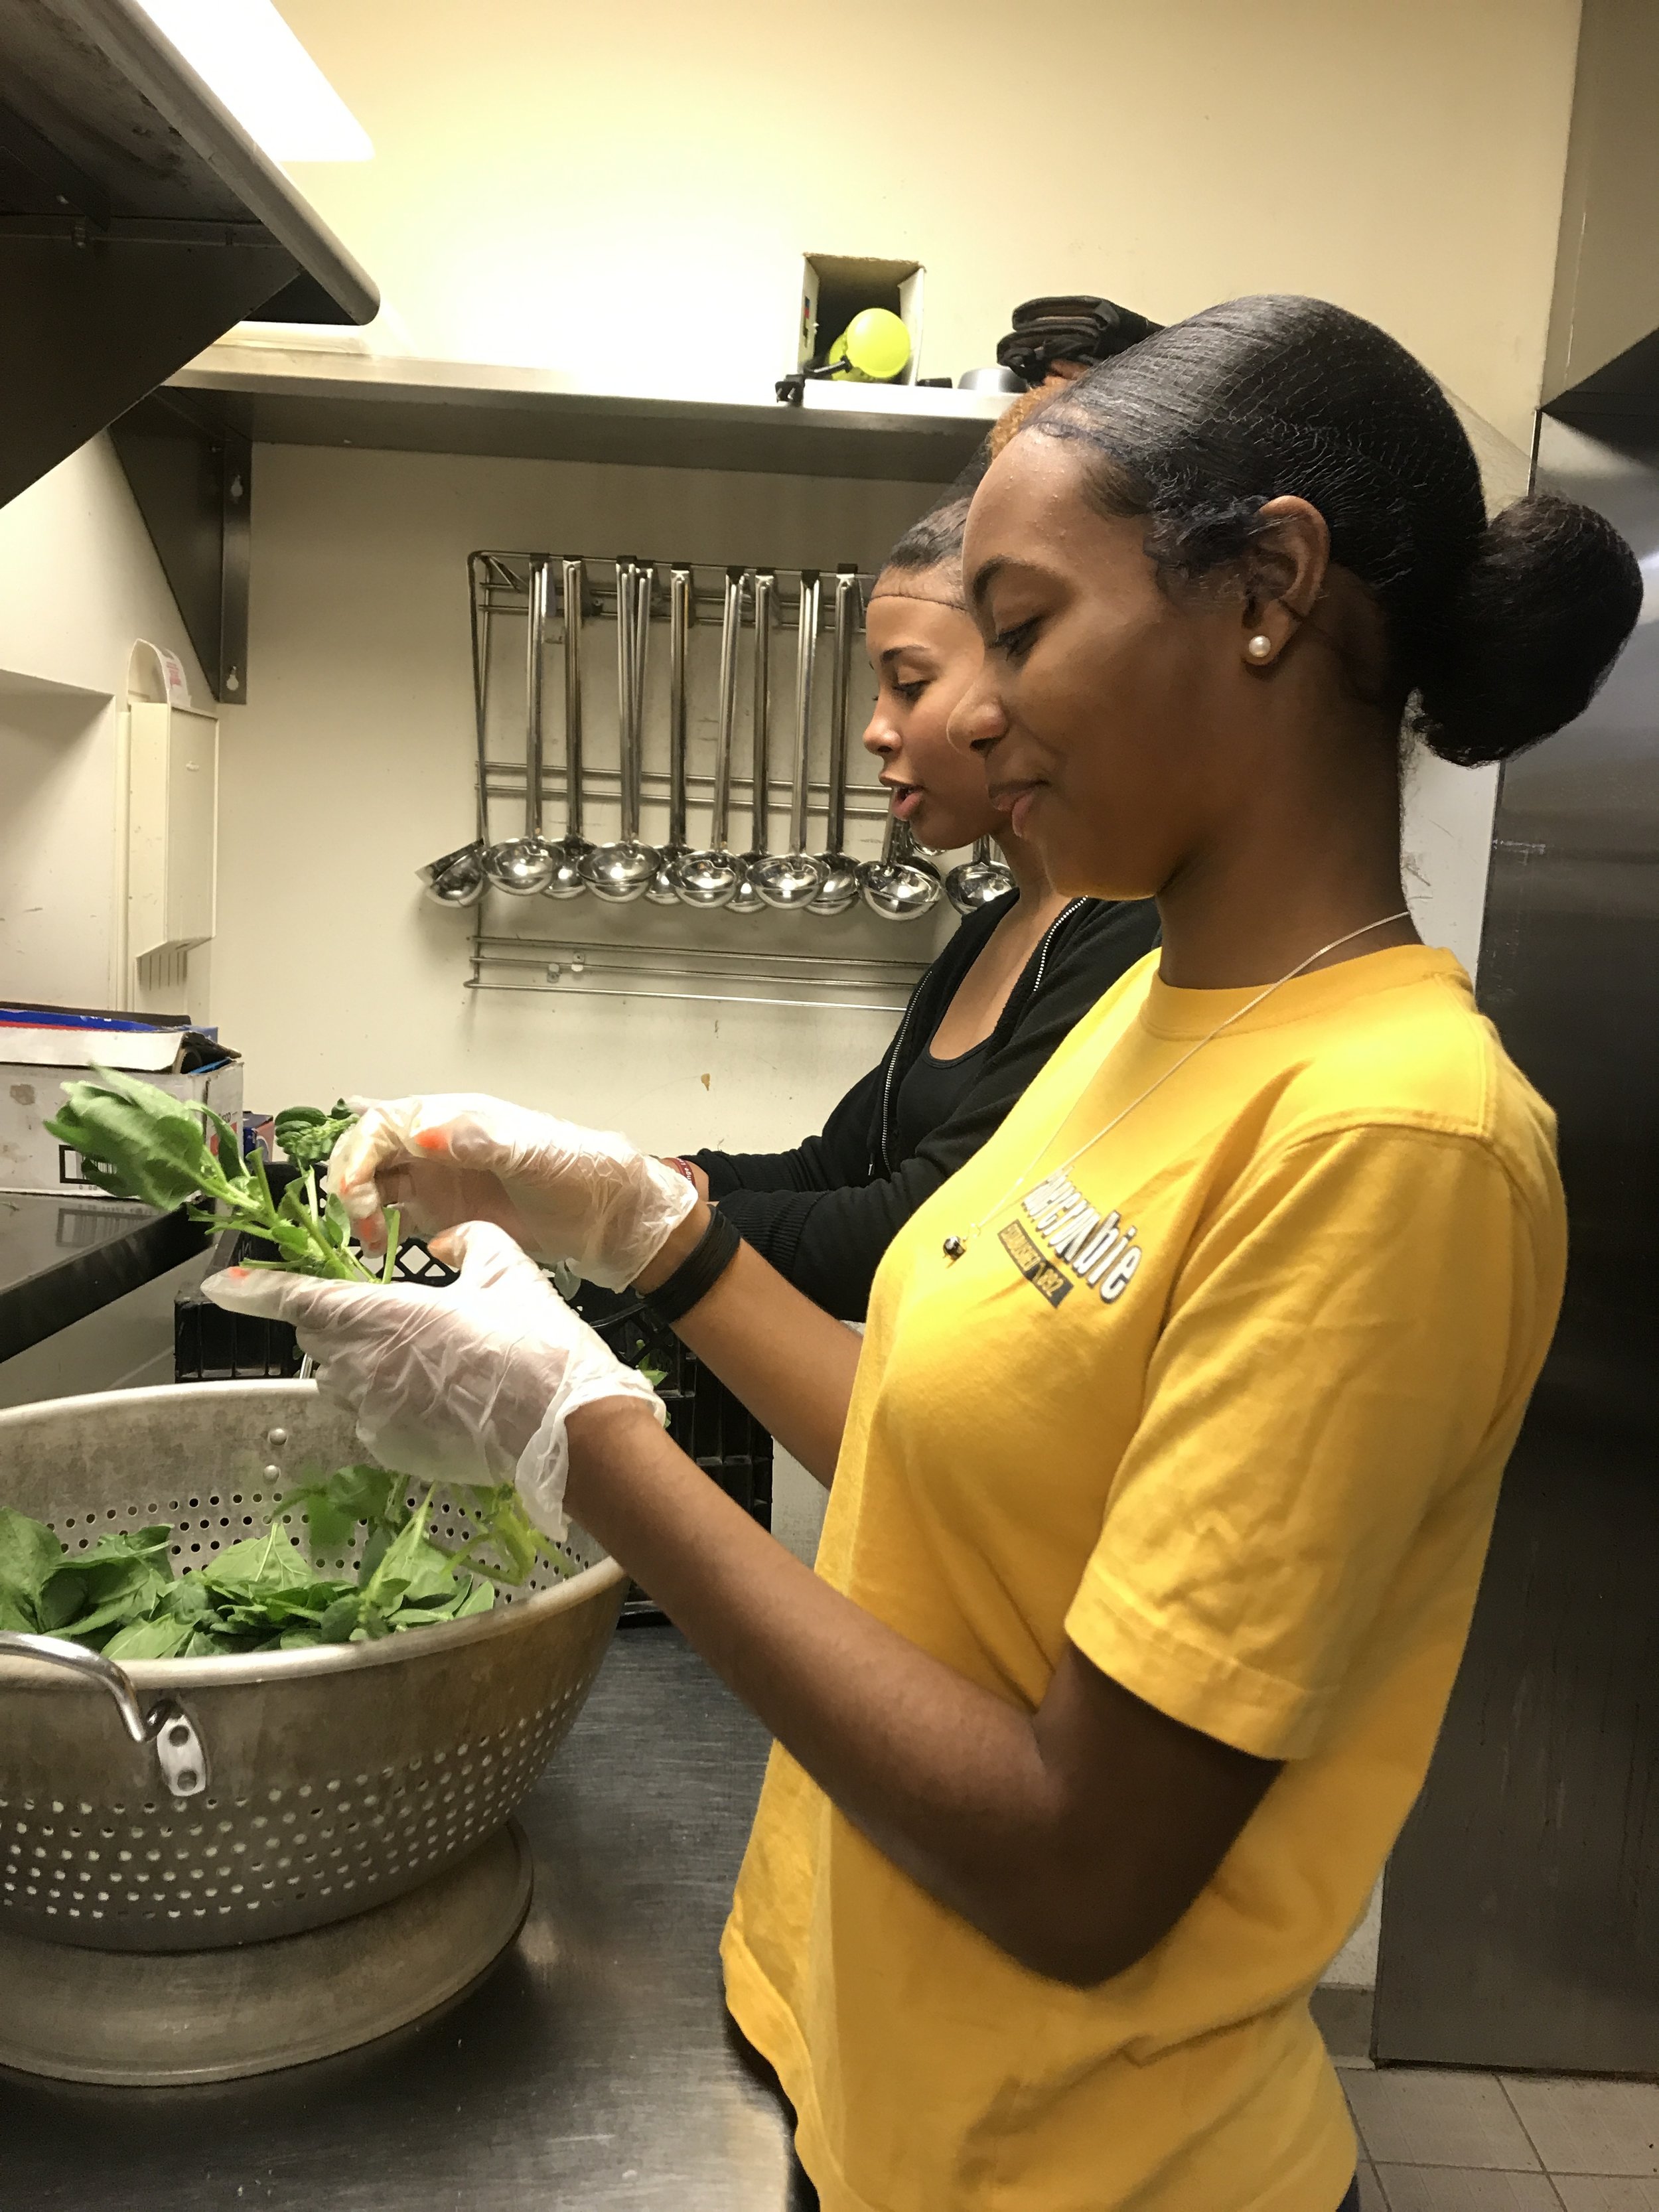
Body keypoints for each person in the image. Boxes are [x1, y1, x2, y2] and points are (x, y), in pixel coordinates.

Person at [209, 295, 1641, 2212]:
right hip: (870, 2086)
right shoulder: (1157, 1012)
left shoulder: (1392, 1135)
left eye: (1025, 627)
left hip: (1090, 2165)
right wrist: (643, 1225)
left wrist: (583, 1437)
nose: (972, 709)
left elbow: (1077, 1862)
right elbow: (942, 1437)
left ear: (1268, 586)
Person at [682, 497, 1158, 1318]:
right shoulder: (988, 932)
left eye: (909, 686)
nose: (875, 730)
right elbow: (841, 1168)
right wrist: (652, 1178)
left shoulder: (1130, 934)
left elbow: (923, 1228)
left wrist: (650, 1228)